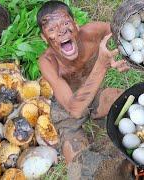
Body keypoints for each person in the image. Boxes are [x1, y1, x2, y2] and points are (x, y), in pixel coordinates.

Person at [37, 1, 129, 163]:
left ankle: (98, 114)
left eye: (66, 23)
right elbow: (75, 109)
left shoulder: (92, 33)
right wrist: (101, 65)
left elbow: (125, 31)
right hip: (67, 110)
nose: (62, 31)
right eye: (52, 29)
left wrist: (126, 55)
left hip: (94, 94)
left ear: (76, 25)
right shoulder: (47, 62)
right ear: (44, 38)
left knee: (132, 102)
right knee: (80, 166)